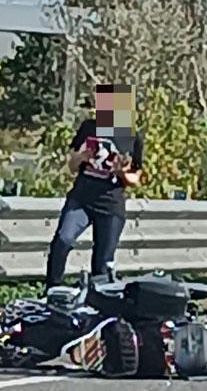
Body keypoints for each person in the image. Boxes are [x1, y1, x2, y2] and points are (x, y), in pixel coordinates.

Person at [45, 84, 144, 291]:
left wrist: (121, 173)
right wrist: (82, 157)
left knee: (102, 260)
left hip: (110, 204)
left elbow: (136, 177)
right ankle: (52, 288)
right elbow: (72, 165)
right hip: (81, 198)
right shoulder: (89, 127)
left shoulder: (132, 136)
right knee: (63, 240)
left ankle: (98, 300)